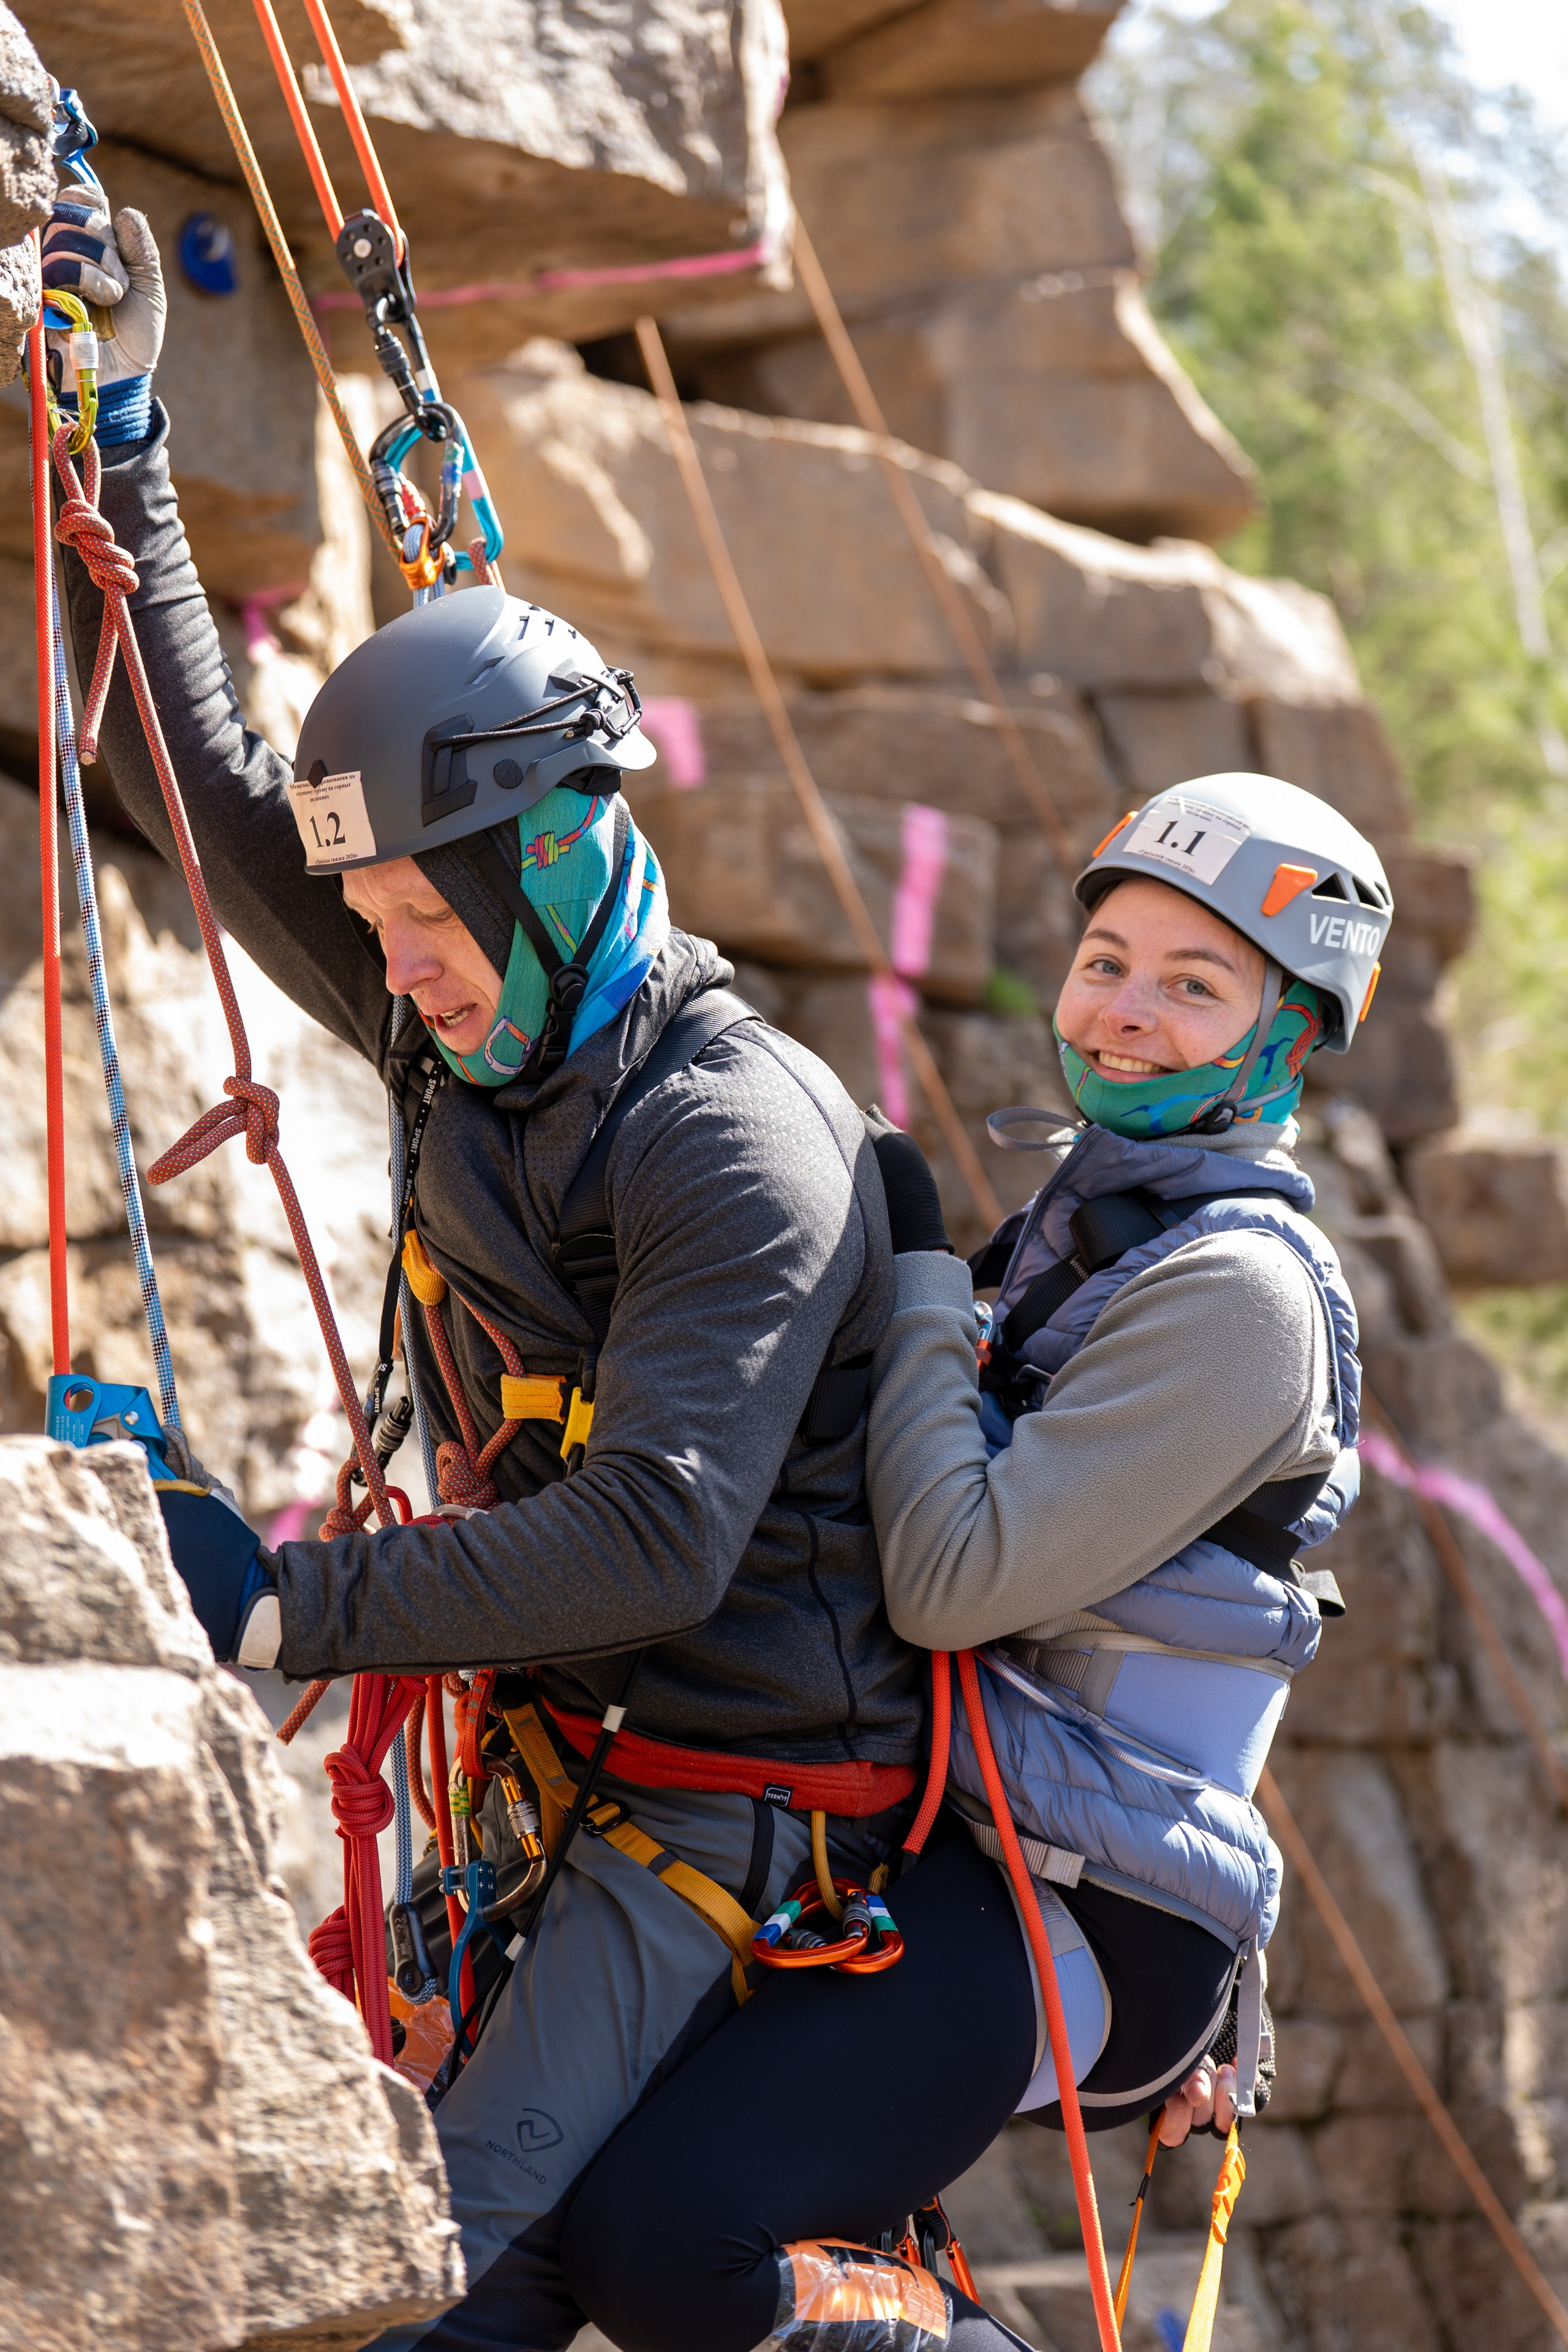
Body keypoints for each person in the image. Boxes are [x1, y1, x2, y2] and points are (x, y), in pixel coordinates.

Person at [45, 183, 1039, 2352]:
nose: (397, 980)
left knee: (427, 2305)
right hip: (562, 1787)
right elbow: (208, 790)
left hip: (741, 1818)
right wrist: (124, 409)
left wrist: (288, 1598)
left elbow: (670, 1536)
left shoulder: (731, 1131)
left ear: (560, 865)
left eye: (426, 925)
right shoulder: (480, 1012)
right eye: (381, 933)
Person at [858, 773, 1389, 2149]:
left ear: (1289, 1036)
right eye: (1104, 965)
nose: (1124, 1012)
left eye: (1193, 986)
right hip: (1007, 1836)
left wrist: (915, 1274)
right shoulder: (1087, 1223)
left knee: (675, 2232)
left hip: (1091, 1909)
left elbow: (951, 1581)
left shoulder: (1236, 1294)